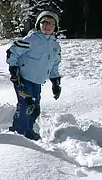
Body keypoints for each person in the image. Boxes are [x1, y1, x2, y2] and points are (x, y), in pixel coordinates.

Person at [5, 10, 63, 141]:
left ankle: (28, 131)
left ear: (56, 27)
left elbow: (54, 65)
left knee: (35, 108)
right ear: (38, 24)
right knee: (26, 105)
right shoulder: (31, 39)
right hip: (23, 79)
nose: (47, 26)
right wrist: (14, 69)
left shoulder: (55, 46)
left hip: (37, 82)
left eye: (51, 23)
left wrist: (55, 83)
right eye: (44, 22)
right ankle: (18, 134)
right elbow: (12, 52)